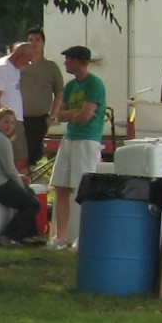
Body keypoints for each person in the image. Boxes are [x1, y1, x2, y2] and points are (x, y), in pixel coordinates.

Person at [50, 45, 106, 248]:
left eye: (68, 59)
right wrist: (74, 113)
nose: (65, 63)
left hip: (87, 140)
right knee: (61, 187)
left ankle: (85, 237)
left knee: (84, 190)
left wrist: (72, 114)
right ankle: (60, 237)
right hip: (70, 138)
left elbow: (85, 116)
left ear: (77, 61)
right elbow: (59, 113)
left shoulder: (95, 84)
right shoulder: (72, 85)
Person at [0, 108, 44, 245]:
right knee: (33, 203)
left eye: (12, 123)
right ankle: (9, 235)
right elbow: (10, 169)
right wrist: (20, 185)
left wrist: (19, 180)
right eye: (5, 122)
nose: (9, 126)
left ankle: (30, 235)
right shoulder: (1, 140)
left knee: (29, 194)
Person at [18, 27, 63, 170]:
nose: (34, 43)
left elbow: (59, 92)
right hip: (18, 117)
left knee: (33, 153)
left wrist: (52, 116)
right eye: (30, 40)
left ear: (43, 43)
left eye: (37, 40)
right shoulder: (19, 66)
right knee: (18, 152)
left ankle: (30, 179)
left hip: (39, 118)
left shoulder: (51, 67)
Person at [0, 40, 31, 172]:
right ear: (20, 56)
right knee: (15, 159)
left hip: (16, 118)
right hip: (8, 121)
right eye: (27, 60)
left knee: (21, 158)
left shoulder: (14, 68)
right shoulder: (3, 67)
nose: (27, 64)